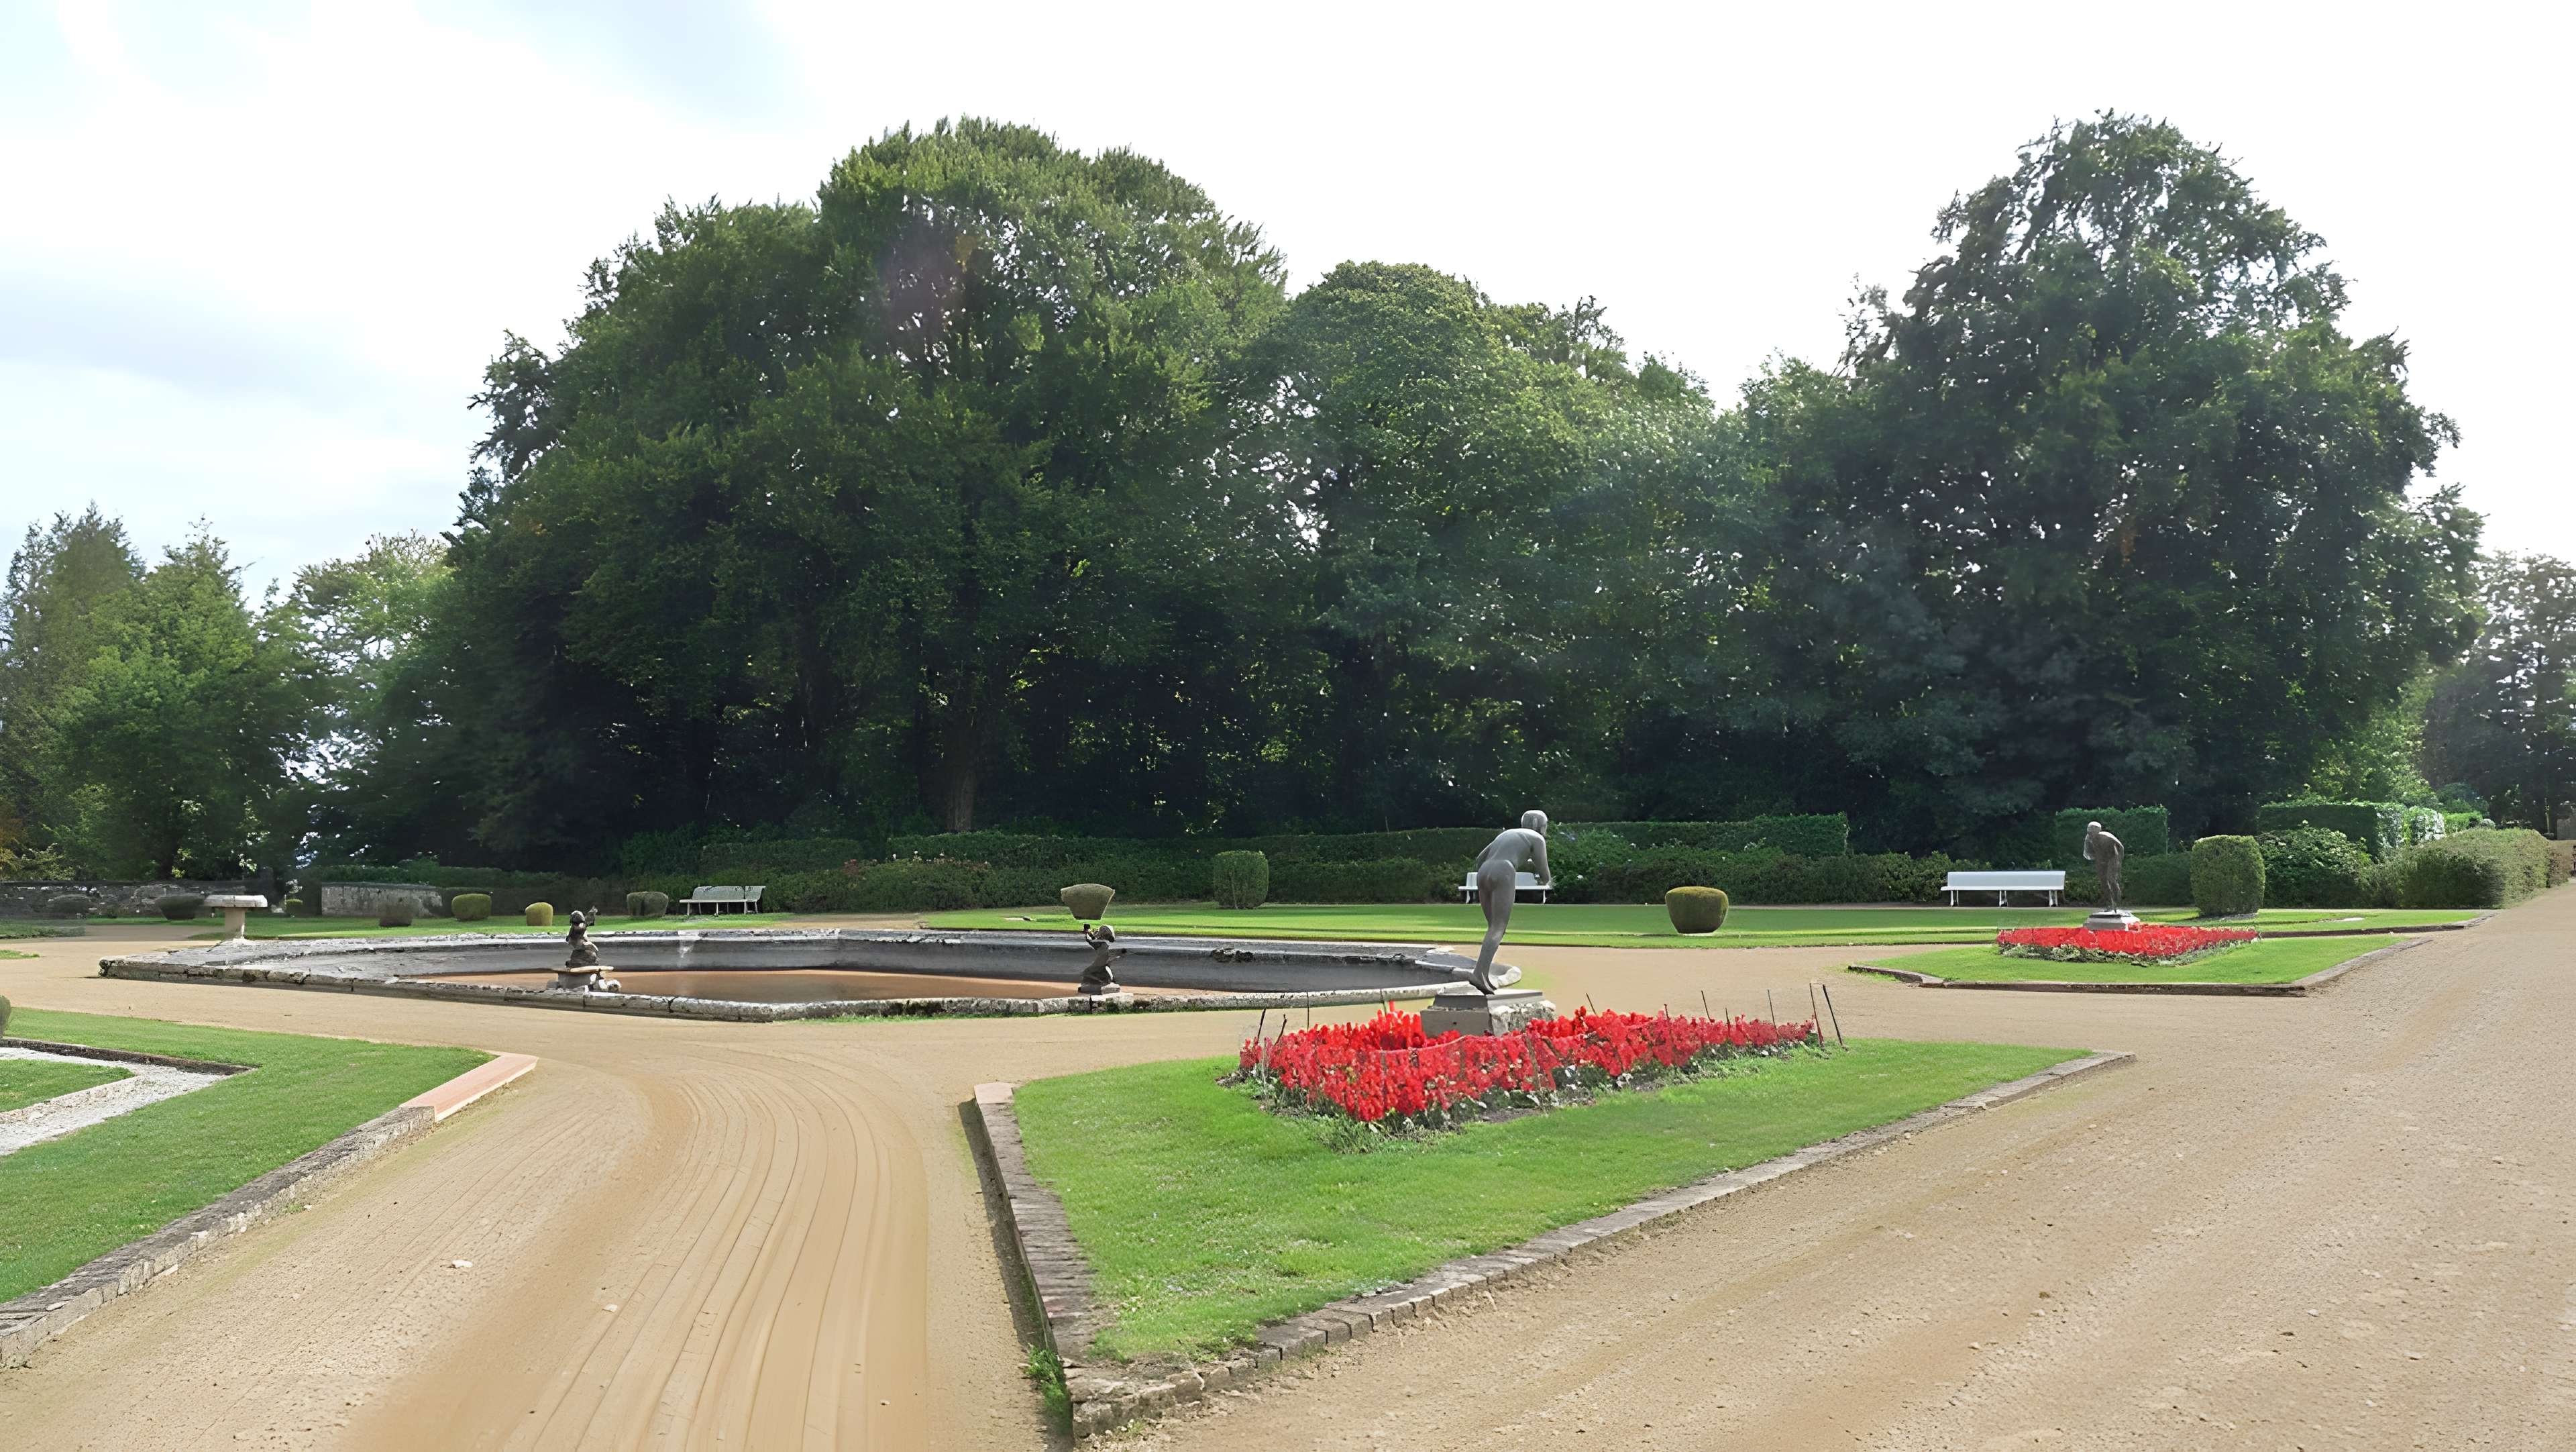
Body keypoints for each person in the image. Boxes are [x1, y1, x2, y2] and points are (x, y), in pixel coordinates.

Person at [1469, 811, 1551, 993]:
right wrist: (1547, 881)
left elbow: (1479, 859)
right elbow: (1544, 872)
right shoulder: (1537, 838)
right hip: (1504, 871)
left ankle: (1483, 972)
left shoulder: (1507, 834)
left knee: (1492, 927)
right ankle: (1478, 974)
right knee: (1498, 928)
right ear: (1539, 825)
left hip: (1483, 872)